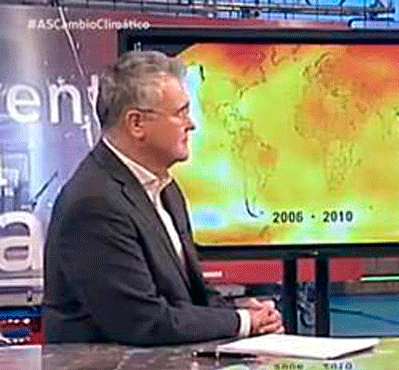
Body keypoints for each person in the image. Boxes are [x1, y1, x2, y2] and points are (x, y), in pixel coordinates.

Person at [43, 51, 283, 345]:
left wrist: (242, 311)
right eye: (180, 113)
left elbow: (189, 297)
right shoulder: (94, 204)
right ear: (137, 124)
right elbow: (143, 321)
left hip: (168, 368)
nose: (191, 124)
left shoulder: (165, 187)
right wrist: (243, 323)